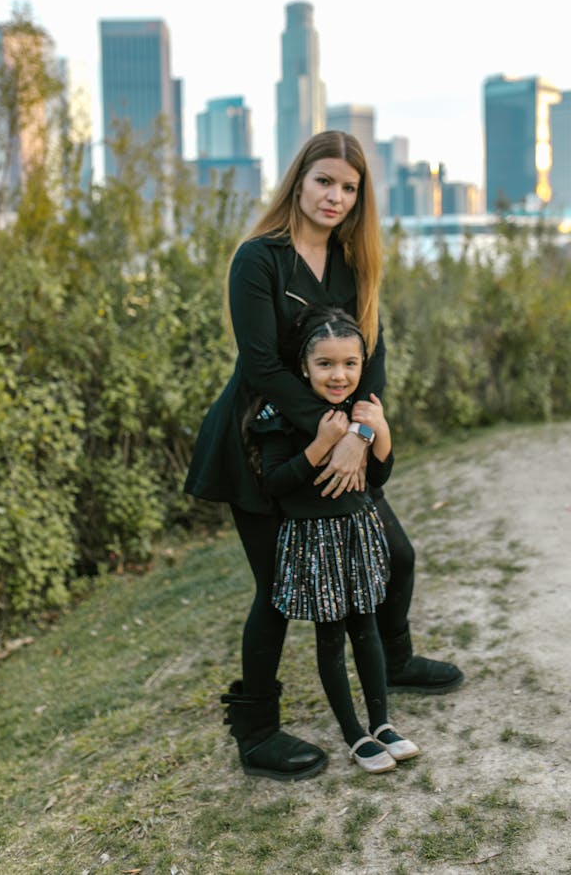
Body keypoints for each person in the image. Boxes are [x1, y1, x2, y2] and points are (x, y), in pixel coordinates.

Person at [184, 130, 462, 781]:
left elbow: (374, 363)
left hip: (343, 439)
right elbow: (259, 366)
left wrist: (362, 435)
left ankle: (391, 660)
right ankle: (256, 732)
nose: (335, 196)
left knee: (394, 554)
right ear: (299, 181)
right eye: (324, 181)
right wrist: (333, 433)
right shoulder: (259, 259)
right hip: (259, 444)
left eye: (349, 187)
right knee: (277, 594)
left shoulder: (353, 266)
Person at [248, 306, 419, 773]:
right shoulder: (281, 414)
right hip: (315, 540)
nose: (338, 375)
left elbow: (379, 474)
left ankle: (382, 723)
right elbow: (276, 484)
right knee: (332, 638)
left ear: (362, 366)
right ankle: (354, 734)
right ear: (304, 366)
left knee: (367, 627)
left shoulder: (360, 409)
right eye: (325, 364)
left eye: (350, 363)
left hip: (356, 533)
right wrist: (321, 445)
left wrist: (378, 432)